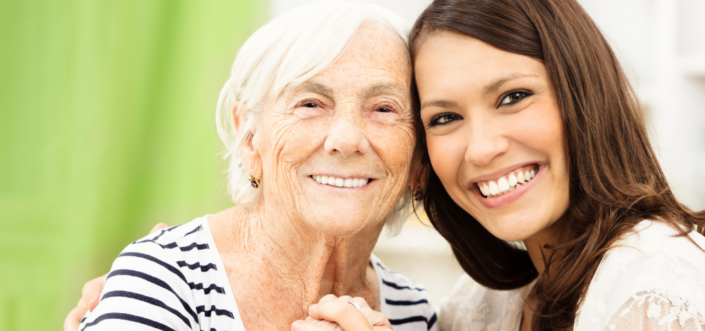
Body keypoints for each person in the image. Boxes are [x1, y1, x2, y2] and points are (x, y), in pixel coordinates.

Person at [310, 0, 705, 330]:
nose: (482, 149)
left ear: (583, 93)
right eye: (445, 118)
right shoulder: (488, 303)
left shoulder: (653, 284)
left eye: (513, 97)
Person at [65, 2, 437, 331]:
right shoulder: (164, 282)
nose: (346, 139)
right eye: (310, 104)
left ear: (418, 157)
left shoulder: (414, 313)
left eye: (384, 109)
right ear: (248, 133)